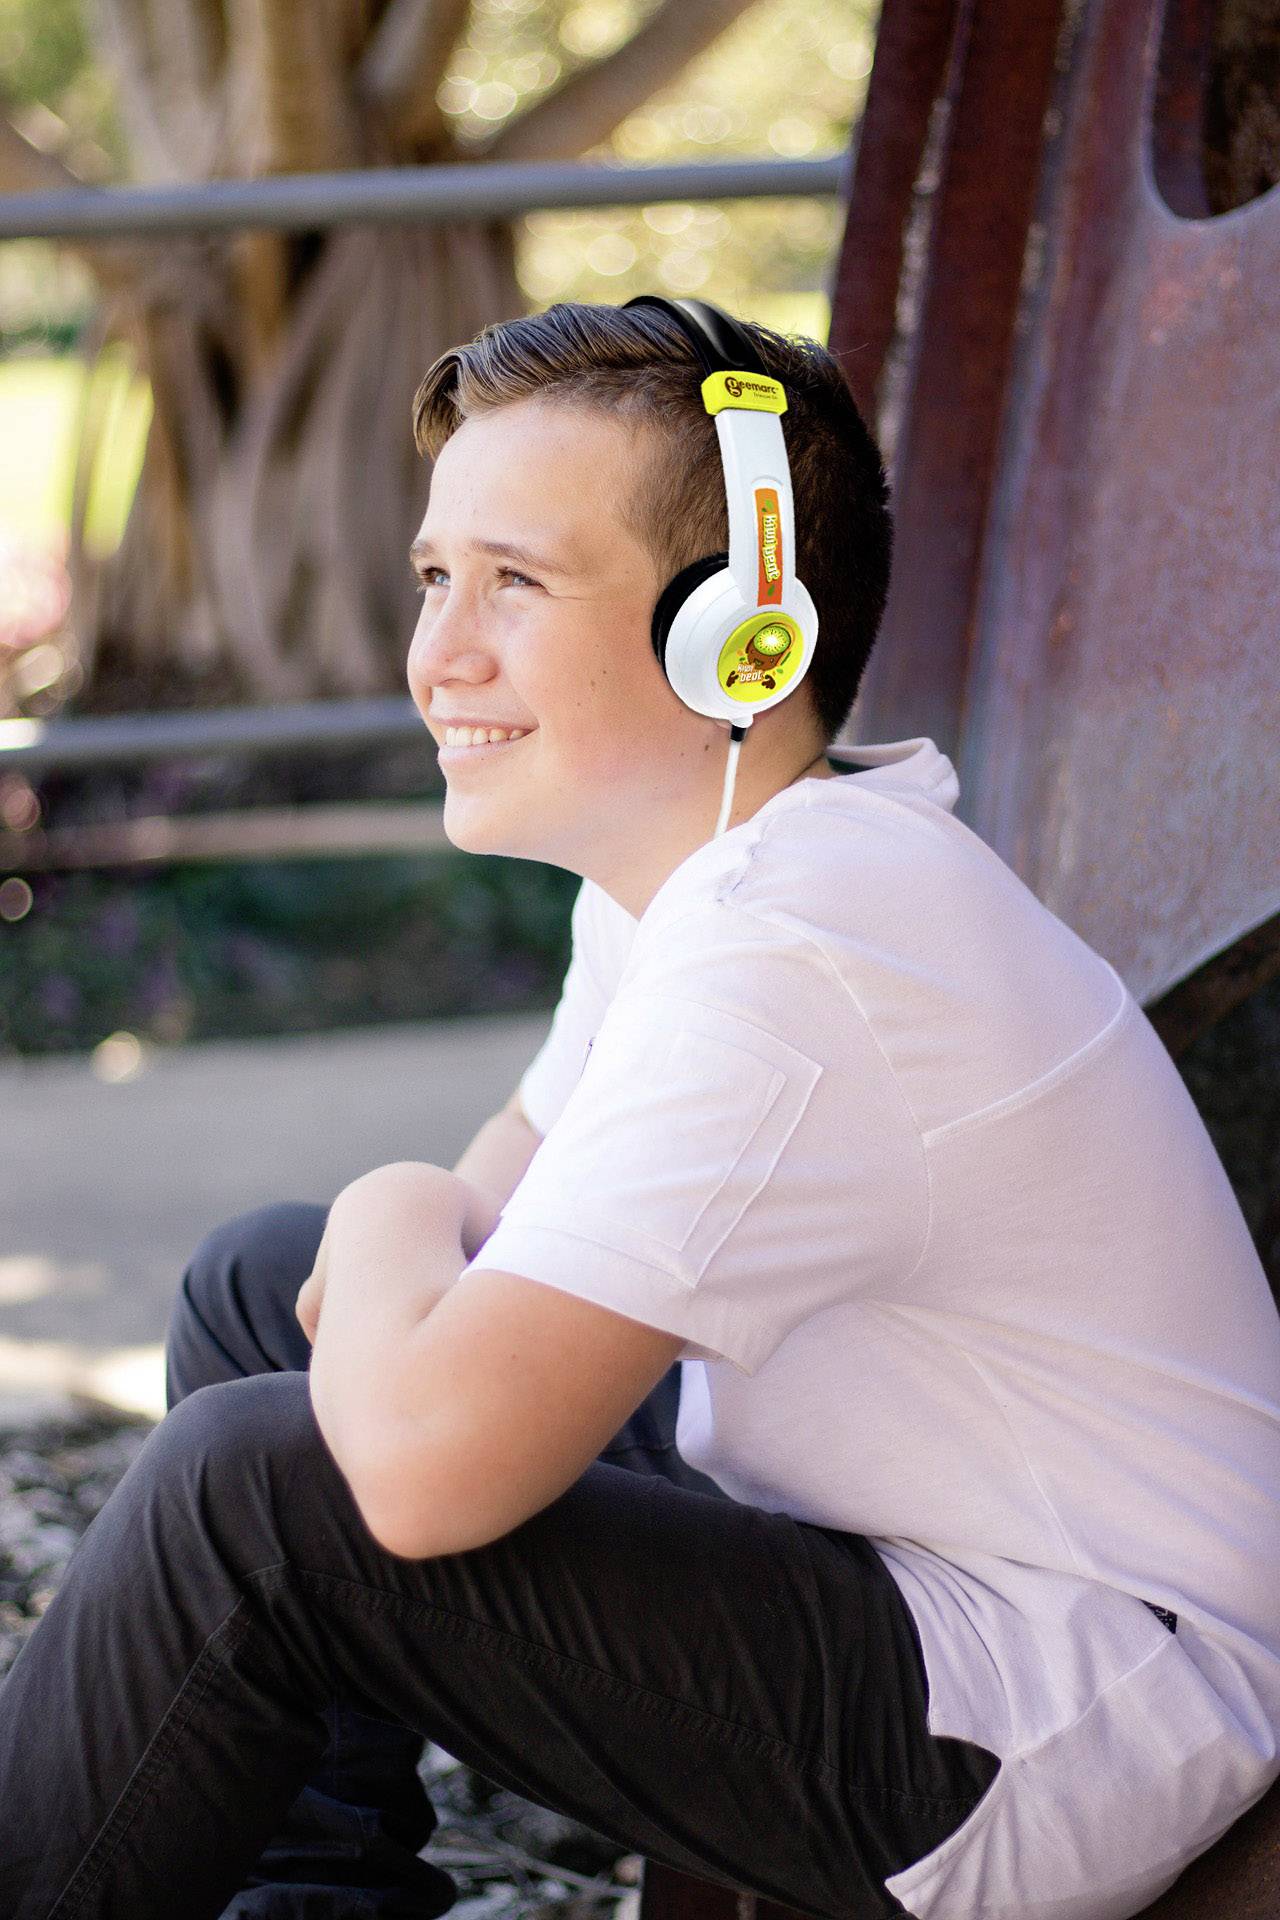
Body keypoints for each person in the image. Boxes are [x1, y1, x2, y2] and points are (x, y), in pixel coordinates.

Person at [1, 298, 1277, 1920]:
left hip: (1061, 1718)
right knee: (270, 1291)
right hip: (887, 1557)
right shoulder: (711, 855)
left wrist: (393, 1203)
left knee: (266, 1489)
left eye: (516, 583)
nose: (436, 654)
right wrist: (402, 1240)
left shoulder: (799, 954)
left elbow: (418, 1469)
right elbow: (503, 1199)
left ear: (743, 641)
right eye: (434, 578)